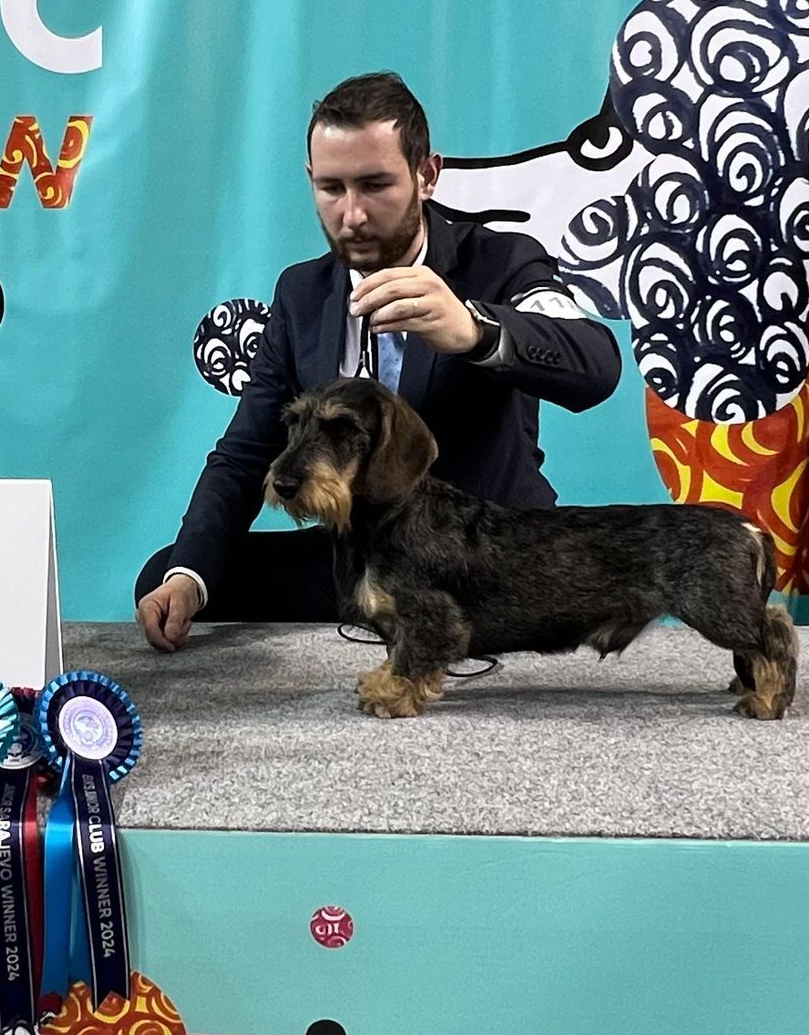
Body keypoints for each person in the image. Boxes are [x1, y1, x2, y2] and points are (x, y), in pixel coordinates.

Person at [136, 71, 622, 652]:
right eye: (332, 188)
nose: (353, 215)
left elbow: (596, 363)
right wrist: (188, 578)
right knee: (170, 572)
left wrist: (476, 331)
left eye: (375, 185)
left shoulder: (503, 260)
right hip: (364, 557)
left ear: (427, 175)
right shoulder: (301, 294)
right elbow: (245, 453)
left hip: (484, 561)